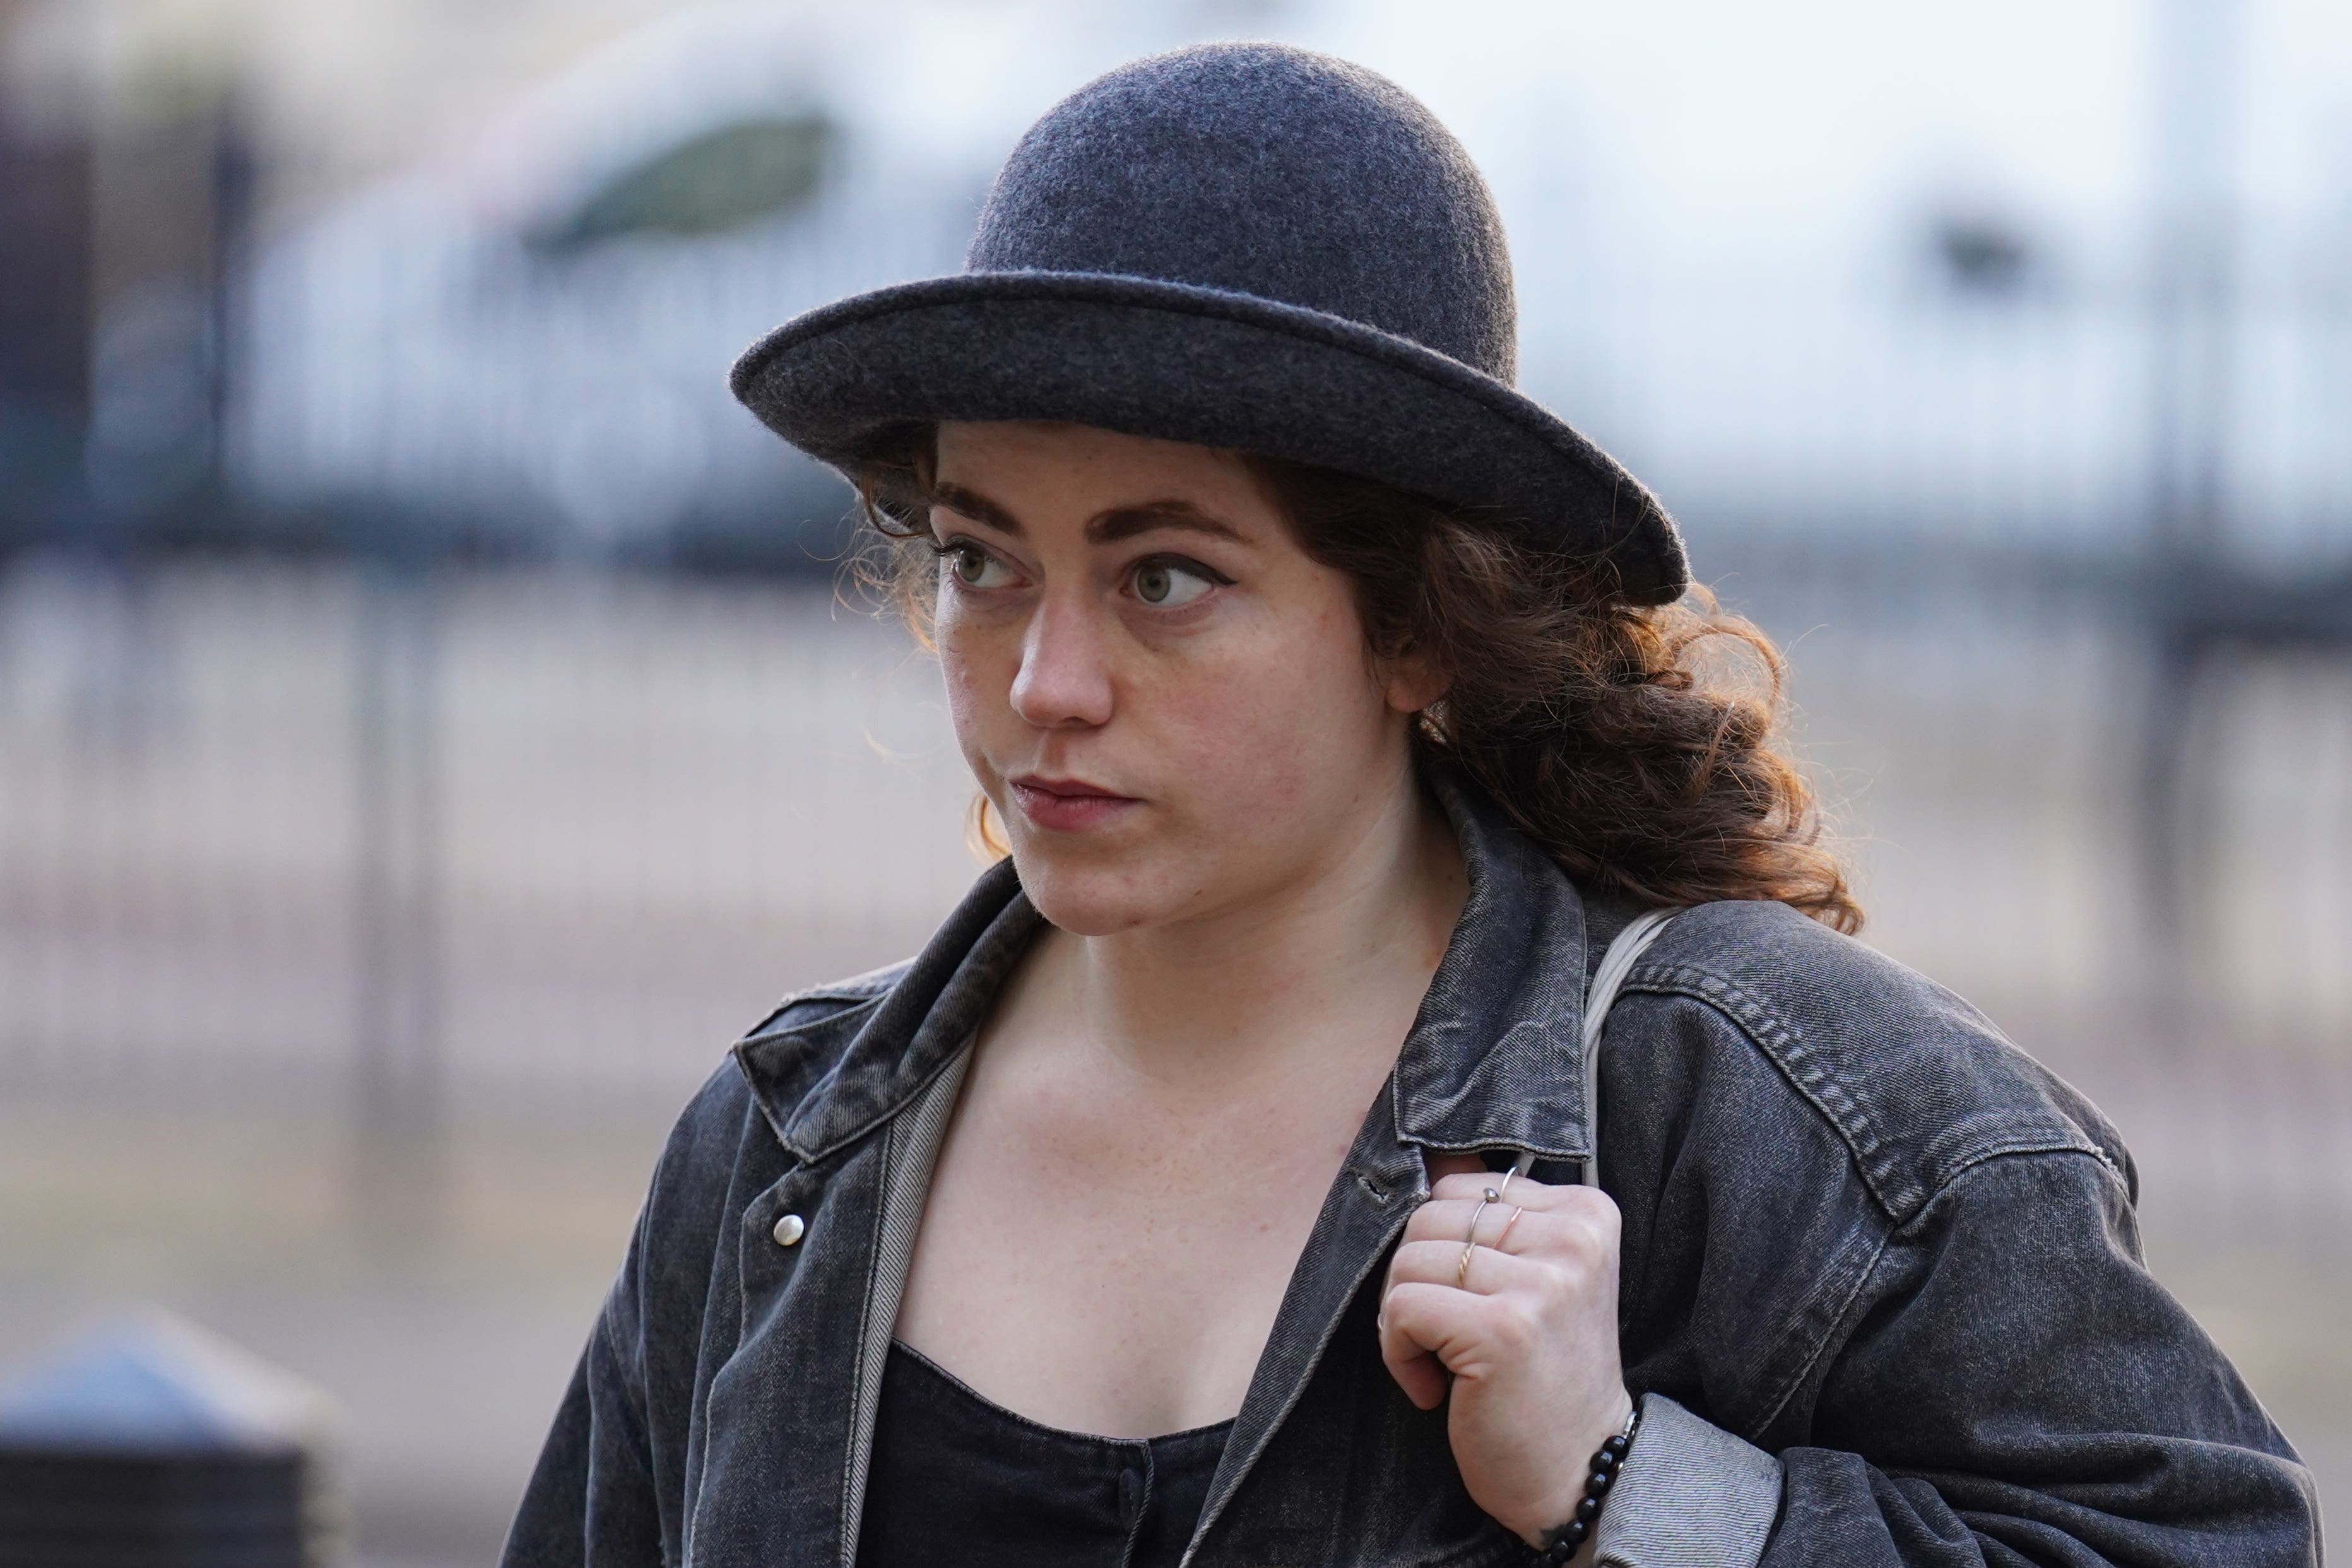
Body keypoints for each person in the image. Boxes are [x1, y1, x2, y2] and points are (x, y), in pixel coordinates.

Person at [501, 42, 2318, 1568]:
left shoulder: (1777, 1126)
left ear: (1421, 630)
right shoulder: (782, 1160)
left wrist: (1631, 1486)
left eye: (1166, 579)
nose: (1045, 680)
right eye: (984, 562)